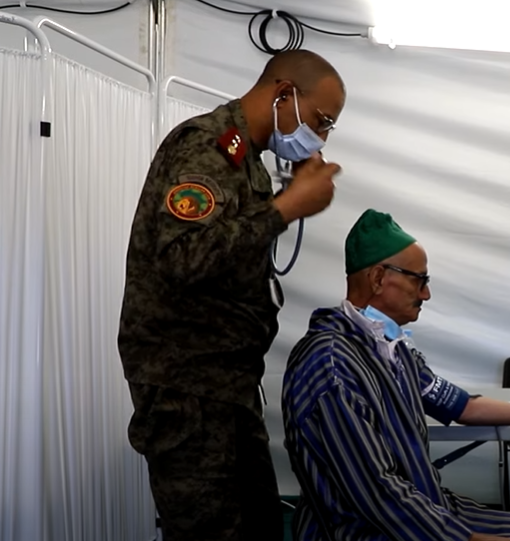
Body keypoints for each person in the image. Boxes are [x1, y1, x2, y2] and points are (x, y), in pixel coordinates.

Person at [118, 49, 346, 541]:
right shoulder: (207, 146)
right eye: (321, 121)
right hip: (188, 387)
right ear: (284, 94)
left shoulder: (245, 159)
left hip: (226, 384)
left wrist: (283, 201)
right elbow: (182, 257)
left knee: (260, 526)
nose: (321, 138)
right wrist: (285, 208)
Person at [282, 208, 510, 541]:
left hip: (421, 506)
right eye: (419, 280)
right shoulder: (332, 366)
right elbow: (375, 489)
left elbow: (463, 406)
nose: (426, 294)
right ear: (378, 278)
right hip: (363, 529)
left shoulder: (391, 350)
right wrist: (464, 538)